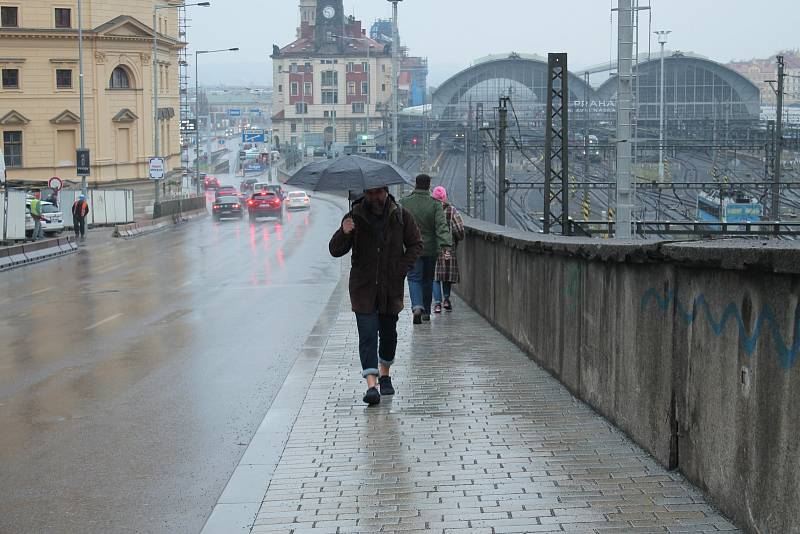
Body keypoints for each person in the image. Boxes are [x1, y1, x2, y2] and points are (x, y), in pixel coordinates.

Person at [329, 186, 422, 405]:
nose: (374, 198)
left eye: (378, 193)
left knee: (389, 334)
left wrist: (400, 269)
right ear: (365, 194)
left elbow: (416, 244)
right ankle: (371, 385)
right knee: (368, 334)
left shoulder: (400, 215)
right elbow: (335, 250)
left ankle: (385, 373)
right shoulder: (354, 217)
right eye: (370, 194)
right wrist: (344, 232)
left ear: (386, 192)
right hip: (363, 287)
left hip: (391, 287)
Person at [401, 174, 452, 324]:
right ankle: (426, 313)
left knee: (413, 278)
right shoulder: (435, 204)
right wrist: (446, 246)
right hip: (430, 249)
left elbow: (399, 226)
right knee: (428, 280)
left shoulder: (404, 202)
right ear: (429, 186)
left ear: (415, 185)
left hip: (411, 248)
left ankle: (417, 306)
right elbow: (441, 227)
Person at [431, 186, 465, 313]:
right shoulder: (452, 210)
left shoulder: (431, 210)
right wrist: (457, 239)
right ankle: (446, 299)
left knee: (435, 276)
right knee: (447, 275)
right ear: (445, 197)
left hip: (433, 247)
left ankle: (438, 303)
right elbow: (459, 230)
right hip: (448, 248)